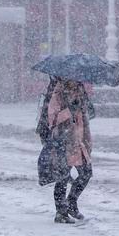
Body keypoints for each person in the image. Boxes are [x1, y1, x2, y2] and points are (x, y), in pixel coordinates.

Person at [37, 77, 95, 224]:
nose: (74, 80)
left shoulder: (81, 92)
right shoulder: (58, 94)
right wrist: (70, 110)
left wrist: (88, 141)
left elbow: (86, 119)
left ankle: (71, 203)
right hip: (64, 142)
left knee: (86, 173)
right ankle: (60, 213)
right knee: (62, 177)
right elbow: (52, 120)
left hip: (80, 142)